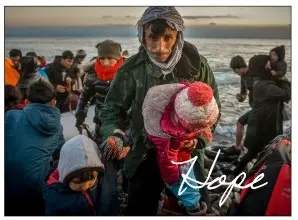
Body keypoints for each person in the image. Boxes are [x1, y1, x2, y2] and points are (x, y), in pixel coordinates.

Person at [98, 7, 221, 215]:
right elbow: (111, 109)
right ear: (142, 36)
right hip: (144, 152)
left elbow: (213, 110)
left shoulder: (198, 67)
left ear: (178, 36)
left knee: (196, 208)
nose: (159, 47)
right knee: (139, 208)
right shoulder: (131, 70)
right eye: (152, 37)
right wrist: (115, 135)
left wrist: (197, 139)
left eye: (167, 38)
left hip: (186, 154)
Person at [142, 81, 219, 215]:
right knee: (186, 188)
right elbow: (166, 158)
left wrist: (197, 139)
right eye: (195, 127)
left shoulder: (187, 99)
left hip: (184, 157)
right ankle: (193, 208)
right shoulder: (164, 133)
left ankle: (177, 204)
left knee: (189, 180)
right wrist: (171, 178)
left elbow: (203, 124)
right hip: (177, 160)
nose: (199, 129)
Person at [5, 78, 65, 216]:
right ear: (54, 102)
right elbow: (61, 154)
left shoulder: (10, 117)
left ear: (26, 102)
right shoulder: (57, 129)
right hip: (35, 192)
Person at [233, 55, 291, 176]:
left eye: (235, 70)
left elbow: (281, 92)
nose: (270, 66)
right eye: (267, 64)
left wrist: (277, 74)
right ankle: (243, 172)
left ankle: (239, 171)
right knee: (262, 152)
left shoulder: (261, 80)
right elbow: (286, 95)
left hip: (263, 114)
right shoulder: (260, 82)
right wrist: (241, 97)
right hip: (262, 115)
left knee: (258, 152)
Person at [44, 135, 107, 216]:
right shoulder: (55, 199)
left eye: (91, 179)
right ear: (64, 176)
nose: (85, 186)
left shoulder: (100, 179)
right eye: (77, 182)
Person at [75, 40, 125, 140]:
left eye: (110, 58)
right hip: (101, 120)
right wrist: (79, 119)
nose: (105, 63)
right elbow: (85, 97)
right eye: (102, 58)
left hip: (125, 121)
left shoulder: (129, 71)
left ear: (118, 57)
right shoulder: (92, 74)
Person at [227, 56, 254, 154]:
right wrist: (240, 97)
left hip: (261, 107)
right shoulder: (243, 77)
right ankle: (238, 147)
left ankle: (241, 148)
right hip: (255, 107)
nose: (235, 73)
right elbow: (243, 94)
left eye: (235, 70)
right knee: (240, 123)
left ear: (240, 67)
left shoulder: (254, 73)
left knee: (241, 123)